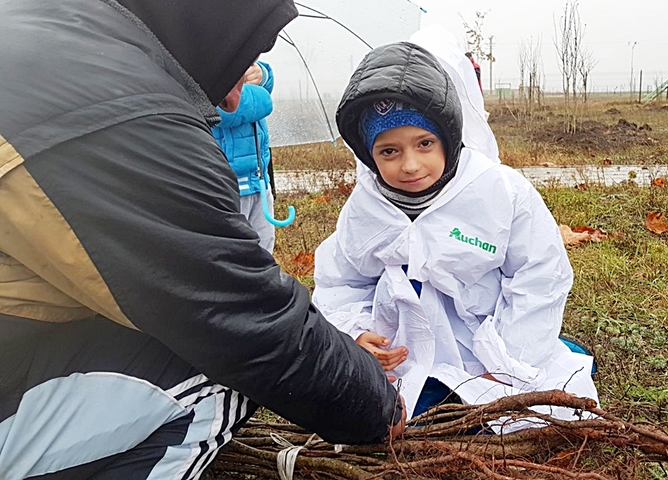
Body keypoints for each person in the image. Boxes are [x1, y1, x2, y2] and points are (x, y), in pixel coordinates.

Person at [0, 1, 404, 478]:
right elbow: (253, 328)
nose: (231, 102)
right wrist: (380, 407)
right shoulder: (124, 110)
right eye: (241, 60)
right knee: (220, 367)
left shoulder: (51, 32)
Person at [313, 42, 598, 424]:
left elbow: (540, 275)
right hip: (403, 347)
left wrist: (509, 360)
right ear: (369, 154)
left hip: (486, 338)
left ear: (448, 136)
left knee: (532, 391)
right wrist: (356, 334)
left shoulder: (497, 191)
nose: (410, 165)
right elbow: (341, 281)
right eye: (389, 152)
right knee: (389, 409)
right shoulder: (366, 205)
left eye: (424, 144)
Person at [212, 61, 277, 253]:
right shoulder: (202, 62)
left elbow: (261, 80)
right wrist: (261, 95)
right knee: (232, 253)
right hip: (226, 186)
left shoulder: (238, 50)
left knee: (264, 250)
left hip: (258, 179)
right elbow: (226, 111)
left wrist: (262, 75)